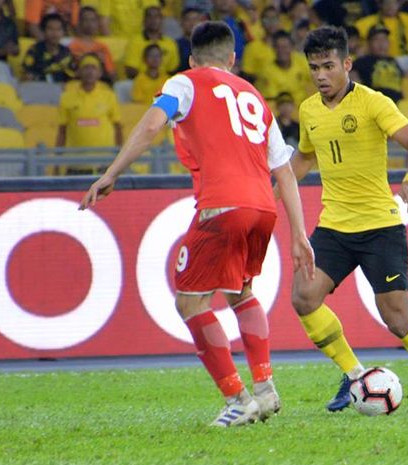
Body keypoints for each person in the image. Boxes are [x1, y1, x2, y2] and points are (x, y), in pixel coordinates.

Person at [79, 21, 314, 427]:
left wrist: (111, 173)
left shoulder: (183, 84)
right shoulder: (257, 97)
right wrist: (299, 234)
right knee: (241, 293)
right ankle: (265, 388)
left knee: (189, 301)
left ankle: (238, 399)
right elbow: (286, 172)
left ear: (192, 59)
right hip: (264, 208)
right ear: (233, 59)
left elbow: (153, 124)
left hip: (222, 204)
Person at [284, 26, 408, 414]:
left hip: (380, 227)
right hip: (335, 226)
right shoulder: (309, 109)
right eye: (314, 68)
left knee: (398, 321)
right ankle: (352, 375)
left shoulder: (373, 102)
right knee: (304, 297)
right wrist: (273, 188)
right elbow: (305, 157)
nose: (320, 75)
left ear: (346, 64)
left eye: (328, 66)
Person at [57, 55, 123, 174]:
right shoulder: (67, 97)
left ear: (99, 73)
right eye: (86, 67)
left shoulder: (109, 96)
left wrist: (120, 160)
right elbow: (62, 131)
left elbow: (117, 128)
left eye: (93, 68)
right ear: (79, 72)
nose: (89, 72)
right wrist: (56, 162)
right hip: (76, 165)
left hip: (104, 164)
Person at [351, 25, 406, 102]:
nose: (381, 44)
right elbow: (353, 83)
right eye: (376, 40)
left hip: (398, 103)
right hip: (376, 102)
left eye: (384, 39)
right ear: (369, 44)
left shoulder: (393, 61)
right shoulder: (362, 61)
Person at [255, 30, 311, 106]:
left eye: (285, 47)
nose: (281, 51)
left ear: (292, 48)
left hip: (304, 106)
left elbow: (313, 83)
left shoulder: (302, 62)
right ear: (274, 49)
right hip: (280, 110)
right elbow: (271, 99)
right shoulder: (266, 71)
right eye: (278, 47)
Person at [124, 6, 180, 79]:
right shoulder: (135, 41)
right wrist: (149, 79)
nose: (153, 20)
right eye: (149, 16)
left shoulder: (170, 43)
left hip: (163, 83)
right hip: (140, 82)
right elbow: (130, 70)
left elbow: (173, 70)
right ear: (144, 20)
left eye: (157, 16)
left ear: (162, 20)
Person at [69, 6, 117, 82]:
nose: (90, 23)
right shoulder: (71, 46)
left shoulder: (102, 47)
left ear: (97, 23)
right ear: (79, 22)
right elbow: (68, 75)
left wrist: (103, 64)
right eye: (86, 20)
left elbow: (113, 76)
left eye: (93, 20)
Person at [22, 13, 74, 83]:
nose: (54, 33)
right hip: (39, 87)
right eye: (50, 29)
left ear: (63, 32)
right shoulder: (34, 50)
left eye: (58, 29)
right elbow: (27, 74)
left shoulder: (66, 52)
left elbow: (70, 76)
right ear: (43, 31)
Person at [176, 7, 206, 73]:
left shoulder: (207, 45)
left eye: (195, 19)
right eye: (188, 19)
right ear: (181, 22)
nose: (192, 23)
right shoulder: (175, 45)